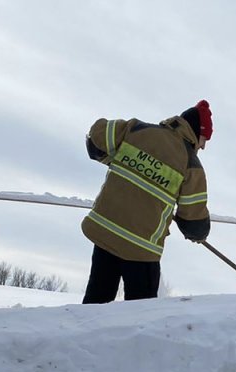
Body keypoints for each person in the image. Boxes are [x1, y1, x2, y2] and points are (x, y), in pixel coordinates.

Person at [80, 100, 212, 303]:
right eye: (204, 139)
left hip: (106, 232)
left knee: (95, 302)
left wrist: (113, 159)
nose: (202, 146)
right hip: (141, 248)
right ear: (197, 132)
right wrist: (198, 234)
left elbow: (96, 139)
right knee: (141, 314)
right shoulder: (190, 164)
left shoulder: (137, 129)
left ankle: (83, 334)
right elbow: (193, 221)